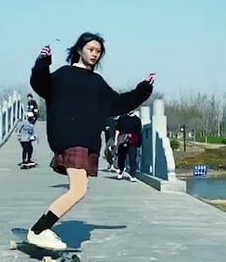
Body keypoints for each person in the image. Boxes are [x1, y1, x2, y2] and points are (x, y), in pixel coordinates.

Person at [27, 32, 154, 250]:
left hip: (87, 141)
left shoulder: (97, 83)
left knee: (79, 188)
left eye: (98, 52)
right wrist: (42, 63)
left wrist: (143, 90)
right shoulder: (63, 75)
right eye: (91, 50)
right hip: (68, 137)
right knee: (78, 190)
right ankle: (39, 230)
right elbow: (40, 84)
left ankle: (40, 229)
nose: (95, 55)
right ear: (79, 50)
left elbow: (118, 103)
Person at [115, 111, 143, 182]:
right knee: (121, 157)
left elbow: (139, 133)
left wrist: (139, 143)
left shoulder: (137, 120)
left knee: (132, 158)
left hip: (133, 141)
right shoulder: (122, 118)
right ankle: (121, 170)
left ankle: (132, 175)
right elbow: (117, 130)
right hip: (123, 140)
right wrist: (116, 140)